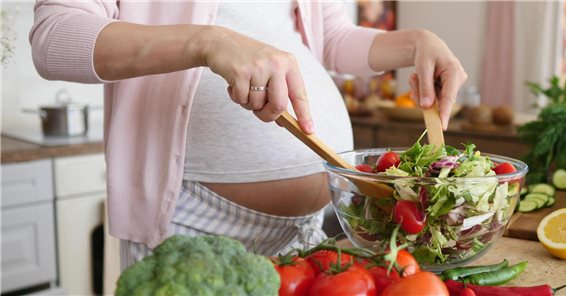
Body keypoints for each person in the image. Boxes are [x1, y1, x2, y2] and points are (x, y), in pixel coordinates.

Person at [30, 1, 467, 268]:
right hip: (192, 221)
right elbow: (54, 36)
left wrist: (415, 42)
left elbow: (331, 37)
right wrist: (210, 42)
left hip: (309, 227)